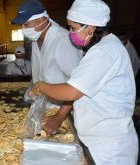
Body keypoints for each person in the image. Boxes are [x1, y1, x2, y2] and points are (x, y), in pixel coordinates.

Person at [30, 0, 139, 164]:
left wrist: (40, 86)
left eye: (73, 28)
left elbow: (71, 91)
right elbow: (80, 88)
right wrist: (60, 116)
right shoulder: (102, 48)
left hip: (110, 148)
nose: (70, 33)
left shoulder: (104, 52)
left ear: (90, 27)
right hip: (96, 139)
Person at [11, 0, 82, 130]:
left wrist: (59, 117)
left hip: (63, 111)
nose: (23, 29)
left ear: (41, 20)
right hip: (45, 106)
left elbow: (78, 86)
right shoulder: (36, 37)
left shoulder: (63, 41)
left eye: (26, 24)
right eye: (22, 25)